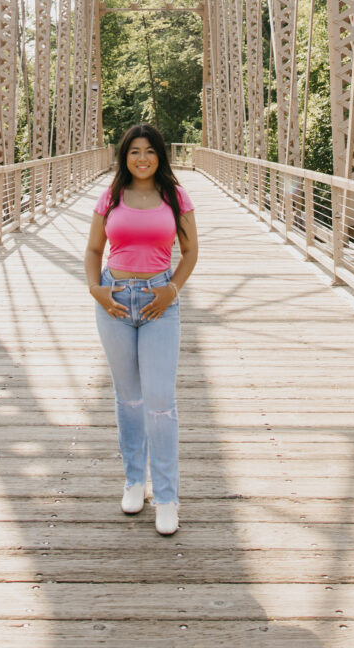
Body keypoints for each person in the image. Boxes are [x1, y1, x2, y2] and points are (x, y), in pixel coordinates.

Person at [85, 123, 199, 536]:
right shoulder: (111, 195)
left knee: (160, 401)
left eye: (150, 150)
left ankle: (167, 497)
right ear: (124, 156)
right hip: (114, 301)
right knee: (129, 399)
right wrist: (95, 289)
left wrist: (171, 290)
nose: (143, 158)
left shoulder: (175, 196)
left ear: (160, 155)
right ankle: (136, 481)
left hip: (158, 303)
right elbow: (95, 249)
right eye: (135, 151)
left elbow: (190, 252)